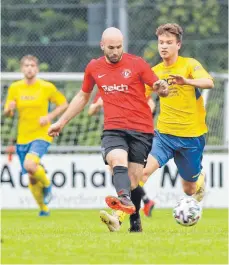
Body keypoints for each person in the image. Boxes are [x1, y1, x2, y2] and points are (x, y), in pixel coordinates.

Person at [48, 27, 169, 232]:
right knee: (116, 161)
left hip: (141, 128)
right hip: (114, 128)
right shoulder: (94, 67)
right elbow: (83, 96)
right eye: (111, 47)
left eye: (119, 47)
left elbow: (157, 86)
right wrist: (62, 121)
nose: (115, 51)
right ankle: (123, 199)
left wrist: (162, 88)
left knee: (133, 180)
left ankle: (134, 216)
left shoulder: (137, 63)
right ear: (102, 46)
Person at [100, 23, 214, 232]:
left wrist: (186, 81)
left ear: (178, 45)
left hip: (191, 138)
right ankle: (118, 219)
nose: (164, 47)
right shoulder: (154, 72)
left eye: (169, 43)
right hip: (164, 136)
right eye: (161, 42)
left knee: (189, 188)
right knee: (140, 174)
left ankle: (199, 180)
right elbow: (140, 97)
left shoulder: (189, 64)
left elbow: (209, 82)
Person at [4, 55, 68, 216]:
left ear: (37, 69)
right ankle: (43, 209)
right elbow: (8, 113)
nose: (29, 68)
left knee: (30, 165)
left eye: (32, 65)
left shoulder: (46, 87)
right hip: (23, 137)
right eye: (26, 65)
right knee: (32, 178)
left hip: (42, 134)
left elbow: (63, 104)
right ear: (22, 69)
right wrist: (9, 109)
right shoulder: (15, 88)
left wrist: (49, 117)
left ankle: (47, 185)